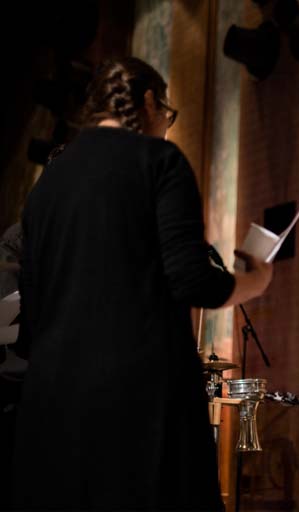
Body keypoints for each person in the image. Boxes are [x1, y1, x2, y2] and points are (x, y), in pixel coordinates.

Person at [12, 57, 273, 511]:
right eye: (167, 116)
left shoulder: (46, 186)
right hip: (140, 402)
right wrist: (256, 279)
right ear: (150, 102)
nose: (166, 127)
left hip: (52, 405)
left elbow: (32, 312)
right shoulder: (159, 161)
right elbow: (193, 281)